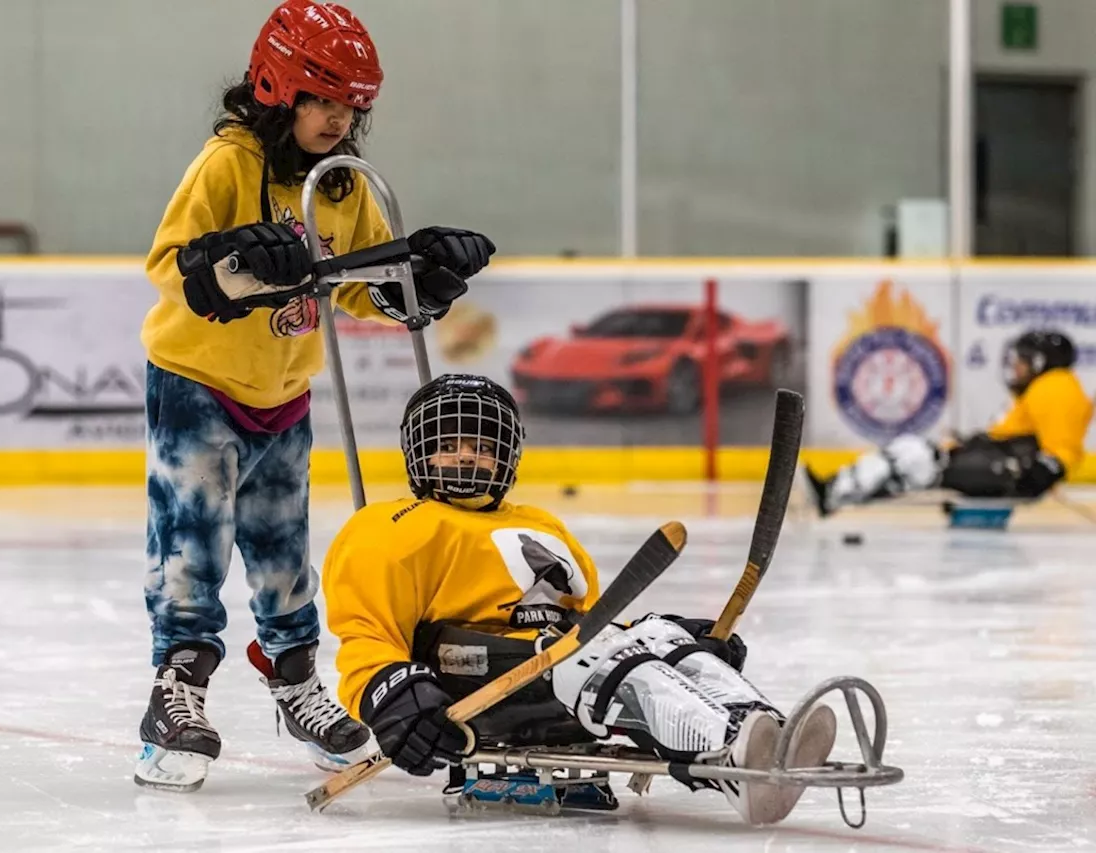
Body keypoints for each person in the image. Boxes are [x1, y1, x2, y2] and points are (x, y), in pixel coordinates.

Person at [134, 0, 496, 792]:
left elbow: (365, 285)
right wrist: (231, 257)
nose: (338, 120)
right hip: (198, 386)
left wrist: (422, 277)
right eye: (321, 101)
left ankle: (295, 682)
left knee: (282, 550)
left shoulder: (338, 188)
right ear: (277, 88)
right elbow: (169, 266)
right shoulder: (226, 164)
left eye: (350, 107)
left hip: (284, 393)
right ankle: (178, 694)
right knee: (192, 545)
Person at [321, 374, 837, 825]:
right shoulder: (387, 527)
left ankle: (765, 730)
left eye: (482, 446)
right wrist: (392, 695)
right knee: (598, 654)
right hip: (472, 674)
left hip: (555, 659)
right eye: (449, 444)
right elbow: (365, 634)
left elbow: (589, 621)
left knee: (660, 638)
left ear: (508, 457)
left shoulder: (542, 525)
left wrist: (679, 644)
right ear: (417, 452)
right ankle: (730, 757)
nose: (466, 456)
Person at [805, 330, 1092, 517]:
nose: (1017, 366)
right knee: (914, 458)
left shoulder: (1056, 388)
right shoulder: (1048, 387)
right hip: (1001, 464)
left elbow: (1061, 448)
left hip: (1005, 470)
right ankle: (834, 492)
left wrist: (1043, 473)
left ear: (1041, 361)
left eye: (1024, 360)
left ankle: (832, 493)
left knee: (914, 458)